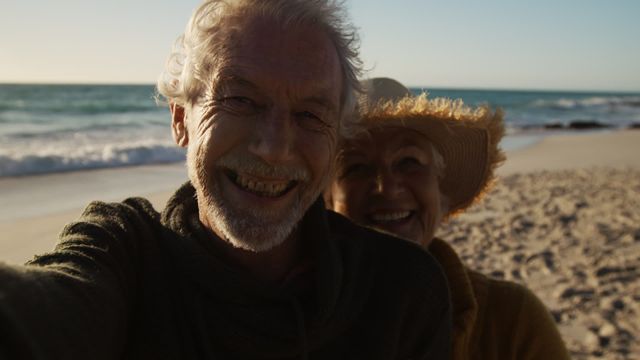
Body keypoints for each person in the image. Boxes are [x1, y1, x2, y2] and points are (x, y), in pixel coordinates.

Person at [0, 3, 452, 359]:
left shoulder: (401, 289)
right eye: (240, 100)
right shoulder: (125, 255)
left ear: (336, 139)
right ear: (181, 119)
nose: (274, 147)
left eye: (311, 115)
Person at [326, 77, 571, 359]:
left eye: (409, 161)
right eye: (357, 167)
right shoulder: (295, 321)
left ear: (440, 192)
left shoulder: (510, 321)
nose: (387, 187)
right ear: (327, 200)